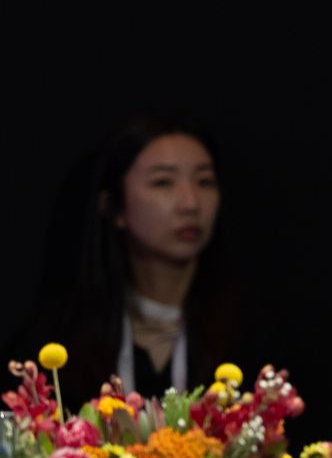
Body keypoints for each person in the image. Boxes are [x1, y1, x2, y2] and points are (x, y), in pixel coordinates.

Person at [13, 114, 245, 400]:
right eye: (163, 182)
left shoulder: (251, 336)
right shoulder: (59, 341)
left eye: (205, 181)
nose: (191, 203)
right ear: (114, 207)